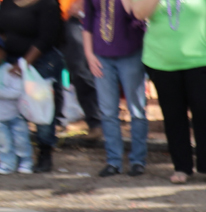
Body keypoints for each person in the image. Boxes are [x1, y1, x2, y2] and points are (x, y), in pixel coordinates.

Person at [133, 0, 206, 185]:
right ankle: (181, 167)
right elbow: (139, 13)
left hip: (202, 59)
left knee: (205, 113)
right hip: (161, 61)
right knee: (173, 116)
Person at [82, 0, 148, 177]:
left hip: (130, 53)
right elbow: (87, 22)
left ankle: (138, 160)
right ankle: (113, 161)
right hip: (101, 55)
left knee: (137, 109)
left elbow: (137, 17)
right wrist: (89, 54)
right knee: (108, 110)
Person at [0, 0, 65, 172]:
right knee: (10, 111)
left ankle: (44, 153)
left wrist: (24, 63)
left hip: (41, 63)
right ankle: (13, 156)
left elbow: (46, 38)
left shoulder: (48, 4)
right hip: (10, 64)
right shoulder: (7, 3)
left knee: (40, 110)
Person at [60, 0, 104, 140]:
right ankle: (56, 121)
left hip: (80, 17)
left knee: (83, 70)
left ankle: (97, 123)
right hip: (53, 14)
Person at [0, 56, 33, 174]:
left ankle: (26, 162)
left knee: (21, 141)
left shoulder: (10, 69)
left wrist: (1, 93)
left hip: (15, 115)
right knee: (3, 143)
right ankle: (7, 163)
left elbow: (18, 92)